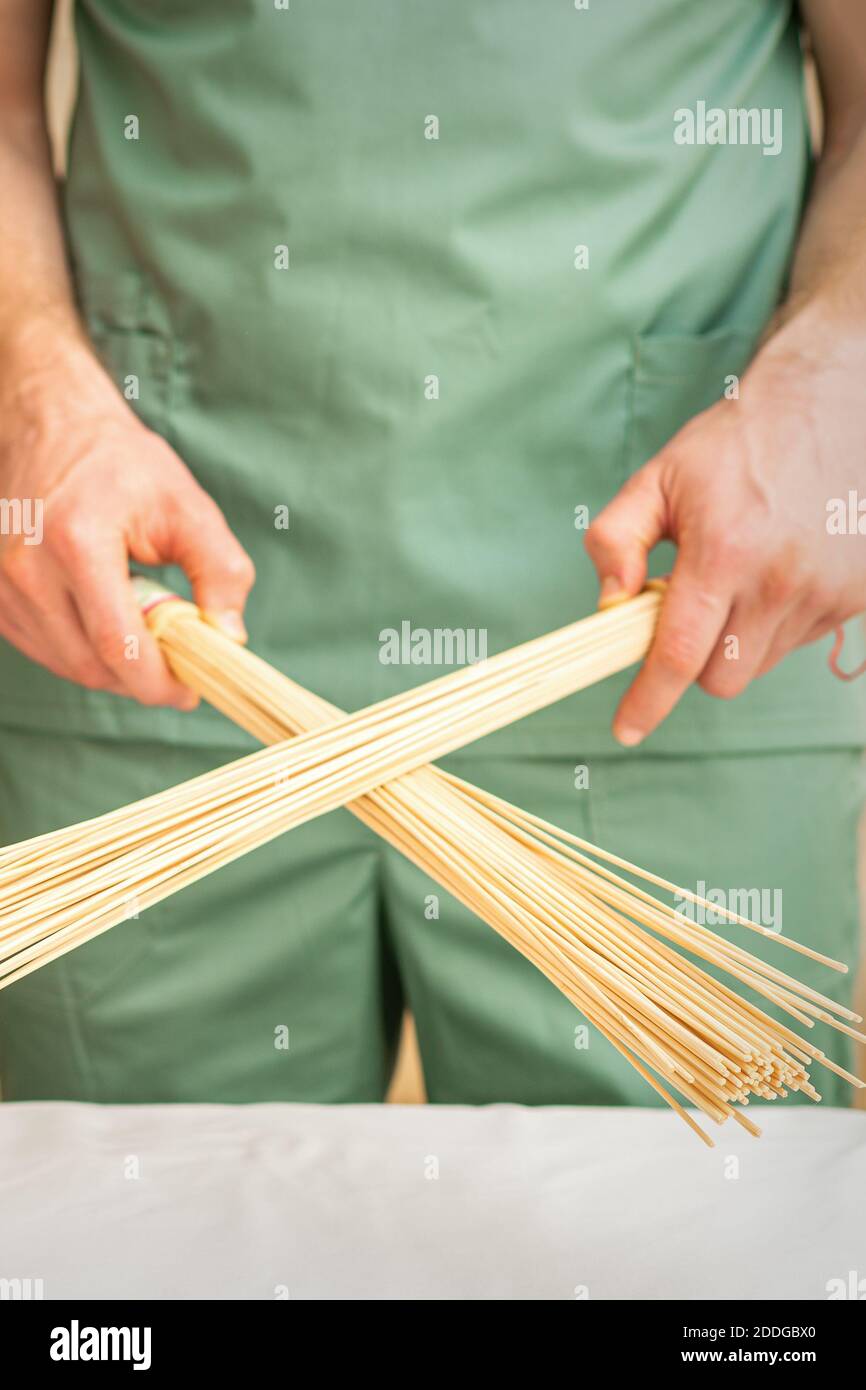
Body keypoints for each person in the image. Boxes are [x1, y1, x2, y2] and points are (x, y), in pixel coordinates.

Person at [0, 0, 864, 1106]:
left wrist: (826, 386)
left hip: (682, 626)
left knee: (681, 1245)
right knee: (144, 1246)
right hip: (130, 625)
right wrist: (31, 387)